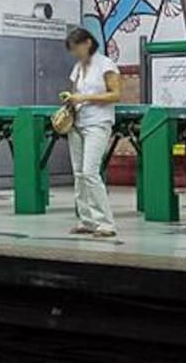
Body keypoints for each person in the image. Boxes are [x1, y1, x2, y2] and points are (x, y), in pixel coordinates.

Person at [61, 27, 121, 237]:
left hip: (98, 123)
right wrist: (71, 98)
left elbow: (115, 95)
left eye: (76, 48)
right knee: (78, 173)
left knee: (90, 172)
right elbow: (77, 92)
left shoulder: (106, 65)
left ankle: (105, 223)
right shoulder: (77, 68)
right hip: (77, 123)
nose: (74, 53)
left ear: (87, 43)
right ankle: (86, 220)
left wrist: (85, 98)